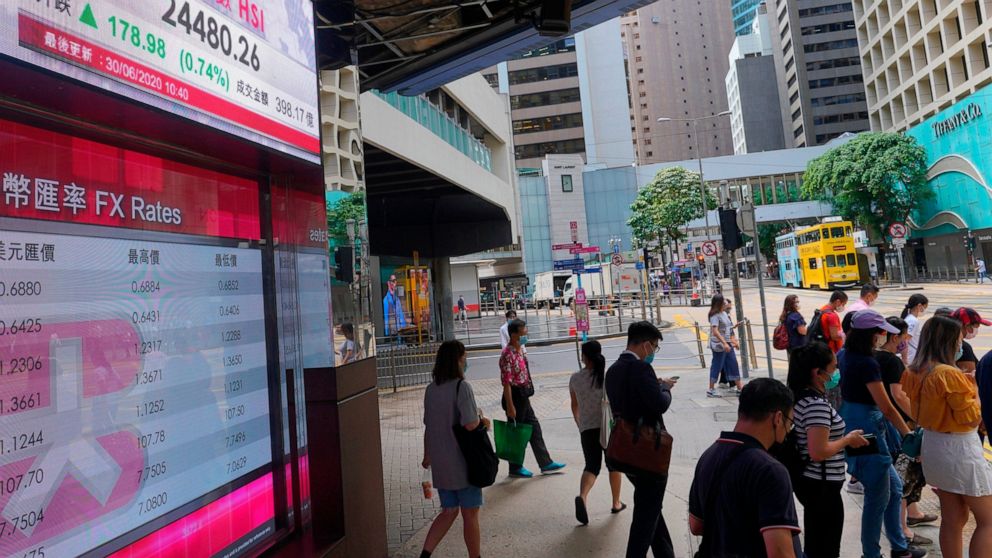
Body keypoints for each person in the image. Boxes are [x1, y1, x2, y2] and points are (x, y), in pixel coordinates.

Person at [839, 310, 927, 558]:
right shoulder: (867, 363)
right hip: (866, 431)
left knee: (894, 489)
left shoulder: (845, 354)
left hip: (855, 423)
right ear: (872, 334)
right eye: (881, 332)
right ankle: (871, 553)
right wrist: (908, 434)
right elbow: (887, 407)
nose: (883, 336)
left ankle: (899, 547)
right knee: (876, 498)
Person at [903, 316, 992, 558]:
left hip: (934, 445)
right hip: (960, 448)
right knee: (988, 520)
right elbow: (971, 418)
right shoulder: (949, 374)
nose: (961, 344)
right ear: (948, 342)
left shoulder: (913, 372)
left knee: (953, 517)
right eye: (959, 340)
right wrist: (974, 391)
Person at [689, 378, 803, 558]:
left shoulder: (709, 455)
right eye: (790, 423)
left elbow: (696, 525)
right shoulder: (771, 470)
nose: (788, 430)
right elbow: (780, 553)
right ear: (778, 418)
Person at [787, 343, 869, 558]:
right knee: (825, 548)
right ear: (818, 372)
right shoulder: (815, 405)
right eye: (833, 367)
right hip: (821, 484)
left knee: (817, 543)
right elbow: (818, 451)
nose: (836, 372)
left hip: (814, 482)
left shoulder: (801, 398)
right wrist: (847, 440)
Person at [605, 321, 677, 558]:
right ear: (645, 345)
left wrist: (655, 386)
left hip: (626, 451)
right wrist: (665, 389)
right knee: (645, 518)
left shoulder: (613, 370)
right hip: (648, 452)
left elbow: (629, 400)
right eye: (654, 347)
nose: (653, 352)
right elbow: (659, 404)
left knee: (651, 509)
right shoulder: (642, 369)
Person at [420, 340, 489, 558]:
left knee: (449, 511)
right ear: (457, 361)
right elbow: (470, 424)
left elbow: (428, 426)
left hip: (441, 463)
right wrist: (483, 420)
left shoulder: (431, 390)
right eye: (464, 358)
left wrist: (427, 455)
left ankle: (425, 555)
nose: (466, 361)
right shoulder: (462, 387)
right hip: (463, 462)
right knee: (470, 514)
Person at [876, 317, 936, 547]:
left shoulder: (873, 357)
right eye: (904, 337)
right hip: (898, 423)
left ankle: (913, 513)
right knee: (904, 475)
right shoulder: (891, 361)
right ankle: (904, 530)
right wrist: (918, 419)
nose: (906, 341)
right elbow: (899, 395)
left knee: (905, 475)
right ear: (895, 337)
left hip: (885, 421)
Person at [500, 319, 565, 478]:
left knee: (535, 428)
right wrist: (510, 406)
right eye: (523, 333)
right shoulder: (507, 354)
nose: (525, 335)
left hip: (524, 396)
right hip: (515, 397)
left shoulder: (520, 350)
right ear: (514, 335)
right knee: (517, 433)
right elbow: (506, 383)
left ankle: (545, 463)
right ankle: (515, 468)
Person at [569, 340, 625, 525]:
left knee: (591, 466)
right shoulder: (607, 377)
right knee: (613, 465)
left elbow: (574, 406)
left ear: (584, 357)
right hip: (608, 428)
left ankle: (583, 497)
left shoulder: (575, 379)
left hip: (587, 429)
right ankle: (616, 503)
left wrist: (580, 423)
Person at [707, 294, 743, 398]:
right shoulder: (715, 316)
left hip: (727, 343)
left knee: (733, 363)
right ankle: (711, 389)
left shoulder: (724, 313)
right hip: (720, 345)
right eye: (724, 302)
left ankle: (740, 388)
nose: (726, 304)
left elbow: (726, 327)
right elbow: (715, 332)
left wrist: (734, 326)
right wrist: (724, 343)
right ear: (719, 304)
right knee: (717, 365)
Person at [949, 307, 990, 375]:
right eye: (976, 327)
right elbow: (970, 376)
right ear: (967, 325)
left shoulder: (944, 341)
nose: (977, 330)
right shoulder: (963, 347)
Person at [900, 295, 929, 365]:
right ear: (919, 306)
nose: (925, 310)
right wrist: (905, 358)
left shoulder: (910, 318)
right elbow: (905, 340)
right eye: (925, 307)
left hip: (911, 355)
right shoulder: (913, 321)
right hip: (911, 356)